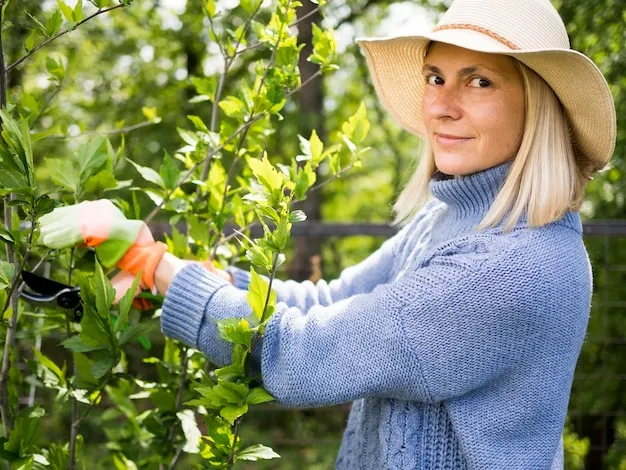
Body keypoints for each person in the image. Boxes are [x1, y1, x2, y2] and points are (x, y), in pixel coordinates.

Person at [39, 0, 617, 467]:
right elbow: (330, 303)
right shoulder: (451, 220)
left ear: (538, 106)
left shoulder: (515, 267)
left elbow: (308, 353)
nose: (440, 105)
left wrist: (154, 264)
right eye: (435, 76)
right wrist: (177, 272)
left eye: (479, 82)